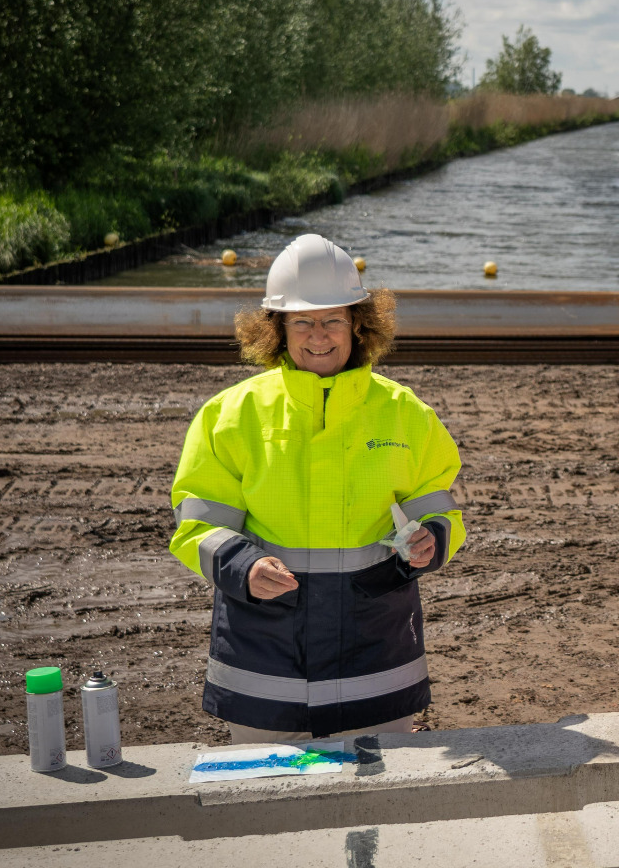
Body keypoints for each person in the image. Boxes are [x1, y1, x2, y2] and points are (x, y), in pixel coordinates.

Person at [168, 233, 465, 742]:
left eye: (332, 319)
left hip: (376, 655)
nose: (318, 335)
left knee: (384, 799)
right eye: (302, 321)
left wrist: (431, 539)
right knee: (267, 806)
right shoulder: (230, 415)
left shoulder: (405, 413)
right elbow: (198, 526)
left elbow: (440, 509)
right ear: (278, 329)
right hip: (266, 660)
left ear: (357, 324)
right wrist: (243, 566)